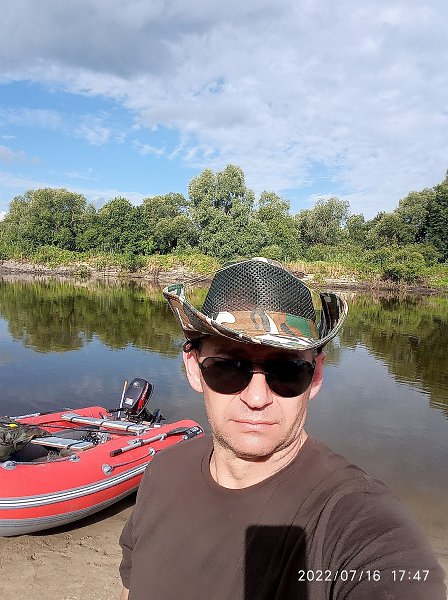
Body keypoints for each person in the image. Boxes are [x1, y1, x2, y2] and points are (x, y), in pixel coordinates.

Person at [118, 258, 446, 600]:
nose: (257, 398)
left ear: (316, 376)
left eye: (288, 371)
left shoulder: (355, 519)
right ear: (193, 367)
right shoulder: (163, 471)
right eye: (228, 368)